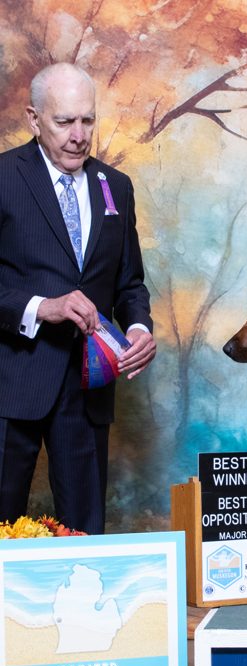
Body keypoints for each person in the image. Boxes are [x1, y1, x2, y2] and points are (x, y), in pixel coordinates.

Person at [0, 62, 155, 534]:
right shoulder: (3, 176)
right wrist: (40, 307)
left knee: (86, 531)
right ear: (33, 119)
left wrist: (139, 328)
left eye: (87, 120)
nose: (78, 134)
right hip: (13, 379)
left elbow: (129, 283)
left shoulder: (117, 187)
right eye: (64, 121)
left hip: (89, 387)